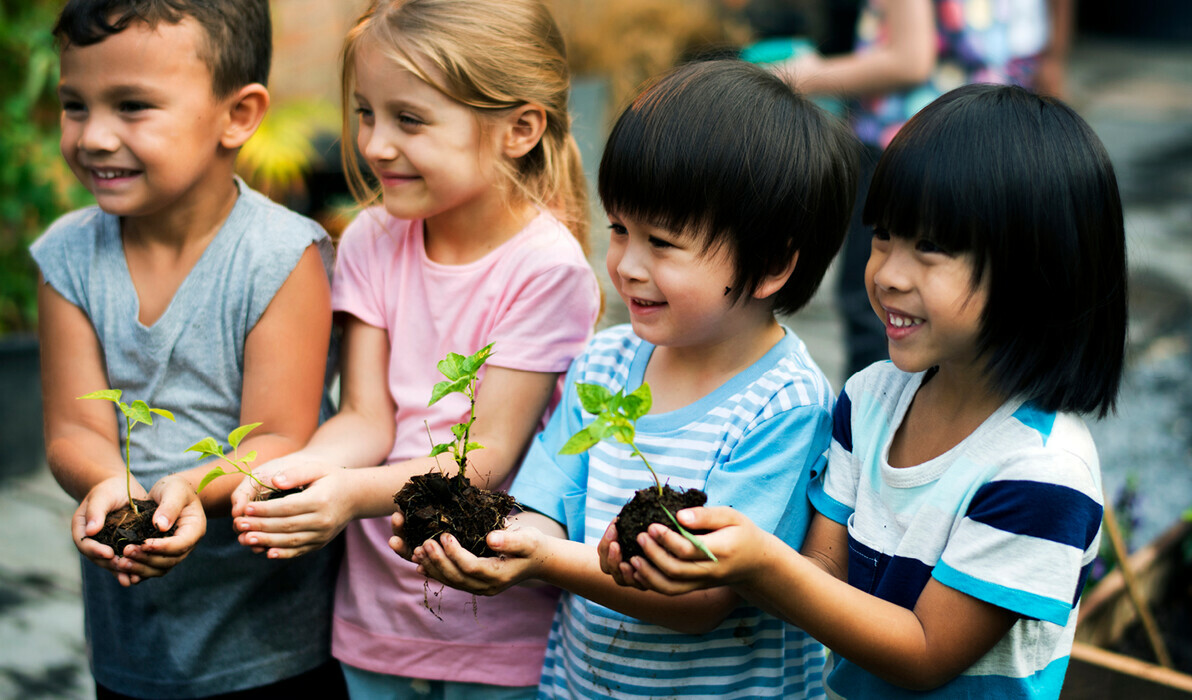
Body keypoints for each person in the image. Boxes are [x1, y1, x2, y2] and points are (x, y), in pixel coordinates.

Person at [617, 84, 1127, 699]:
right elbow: (826, 577)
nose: (886, 273)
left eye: (930, 247)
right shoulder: (872, 400)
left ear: (1037, 271)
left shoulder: (1041, 472)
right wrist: (709, 559)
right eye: (883, 235)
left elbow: (924, 652)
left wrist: (761, 563)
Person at [398, 59, 861, 699]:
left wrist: (545, 563)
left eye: (663, 243)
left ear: (772, 265)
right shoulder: (605, 364)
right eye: (618, 229)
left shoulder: (785, 405)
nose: (627, 266)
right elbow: (548, 509)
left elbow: (702, 598)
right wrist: (493, 545)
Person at [227, 0, 600, 697]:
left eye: (410, 119)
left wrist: (342, 498)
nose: (374, 145)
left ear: (520, 128)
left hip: (493, 610)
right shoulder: (372, 238)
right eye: (366, 112)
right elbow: (368, 418)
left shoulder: (546, 270)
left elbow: (482, 463)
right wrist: (297, 476)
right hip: (377, 609)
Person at [31, 0, 343, 697]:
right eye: (75, 105)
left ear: (238, 115)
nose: (95, 136)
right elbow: (76, 427)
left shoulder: (279, 255)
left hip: (271, 639)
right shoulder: (68, 259)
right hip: (132, 635)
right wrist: (108, 487)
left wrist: (192, 487)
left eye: (133, 106)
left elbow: (283, 434)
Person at [775, 0, 1074, 378]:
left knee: (874, 312)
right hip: (991, 148)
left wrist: (795, 76)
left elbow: (909, 60)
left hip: (903, 144)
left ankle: (878, 426)